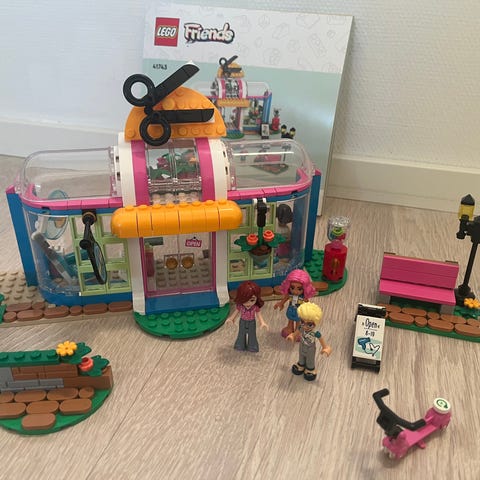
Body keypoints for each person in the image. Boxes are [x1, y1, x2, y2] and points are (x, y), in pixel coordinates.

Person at [287, 302, 332, 381]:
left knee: (310, 359)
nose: (305, 326)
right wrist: (293, 336)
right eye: (302, 322)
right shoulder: (301, 327)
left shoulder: (315, 332)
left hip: (310, 348)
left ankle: (310, 369)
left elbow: (321, 339)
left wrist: (325, 347)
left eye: (309, 324)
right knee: (301, 355)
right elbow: (297, 332)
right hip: (302, 345)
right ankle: (301, 364)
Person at [227, 281, 268, 352]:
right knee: (241, 334)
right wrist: (231, 319)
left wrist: (262, 323)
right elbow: (236, 312)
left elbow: (259, 315)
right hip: (242, 322)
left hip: (252, 322)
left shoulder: (255, 307)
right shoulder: (240, 306)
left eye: (252, 300)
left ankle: (252, 346)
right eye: (245, 300)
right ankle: (240, 345)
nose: (248, 303)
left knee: (252, 335)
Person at [274, 269, 317, 338]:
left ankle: (297, 331)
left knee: (298, 322)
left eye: (299, 289)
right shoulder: (290, 295)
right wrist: (281, 303)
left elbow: (308, 304)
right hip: (291, 309)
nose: (295, 291)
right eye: (292, 288)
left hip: (299, 311)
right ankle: (290, 328)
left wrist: (309, 312)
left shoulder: (303, 297)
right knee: (290, 320)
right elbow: (285, 298)